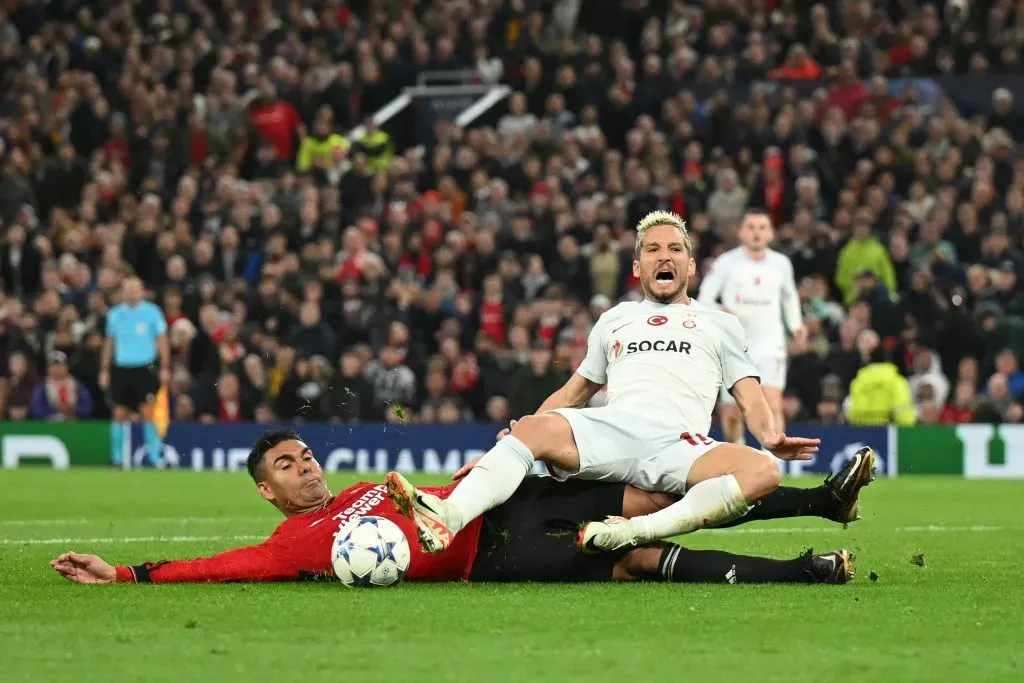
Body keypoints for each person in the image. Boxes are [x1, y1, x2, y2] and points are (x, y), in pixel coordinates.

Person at [384, 211, 827, 556]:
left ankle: (633, 533)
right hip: (613, 429)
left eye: (675, 248)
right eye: (653, 249)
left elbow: (748, 393)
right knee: (533, 427)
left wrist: (769, 436)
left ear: (691, 264)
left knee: (764, 471)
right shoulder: (615, 319)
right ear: (637, 266)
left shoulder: (718, 323)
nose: (664, 256)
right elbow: (575, 392)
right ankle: (448, 516)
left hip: (680, 444)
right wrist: (517, 438)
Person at [50, 429, 859, 586]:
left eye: (305, 455)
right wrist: (126, 572)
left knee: (662, 495)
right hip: (490, 556)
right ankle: (802, 571)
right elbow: (219, 566)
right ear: (268, 490)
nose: (307, 469)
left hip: (504, 503)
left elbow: (437, 494)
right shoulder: (293, 544)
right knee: (633, 555)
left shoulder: (369, 487)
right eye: (288, 466)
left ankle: (823, 501)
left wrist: (480, 470)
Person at [697, 210, 806, 447]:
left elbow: (789, 297)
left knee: (772, 402)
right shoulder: (726, 263)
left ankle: (773, 463)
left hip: (769, 341)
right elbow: (704, 297)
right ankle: (740, 456)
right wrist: (718, 309)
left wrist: (796, 325)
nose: (756, 232)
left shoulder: (781, 264)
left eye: (762, 227)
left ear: (770, 233)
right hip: (733, 344)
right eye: (751, 227)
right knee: (732, 411)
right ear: (741, 232)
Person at [98, 277, 170, 466]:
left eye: (135, 288)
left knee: (147, 411)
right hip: (121, 368)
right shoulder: (114, 314)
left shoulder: (152, 312)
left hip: (145, 367)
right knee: (119, 412)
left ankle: (154, 457)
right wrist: (104, 370)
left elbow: (162, 341)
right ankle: (117, 458)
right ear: (122, 292)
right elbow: (109, 343)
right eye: (127, 289)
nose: (131, 292)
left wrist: (164, 367)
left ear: (142, 291)